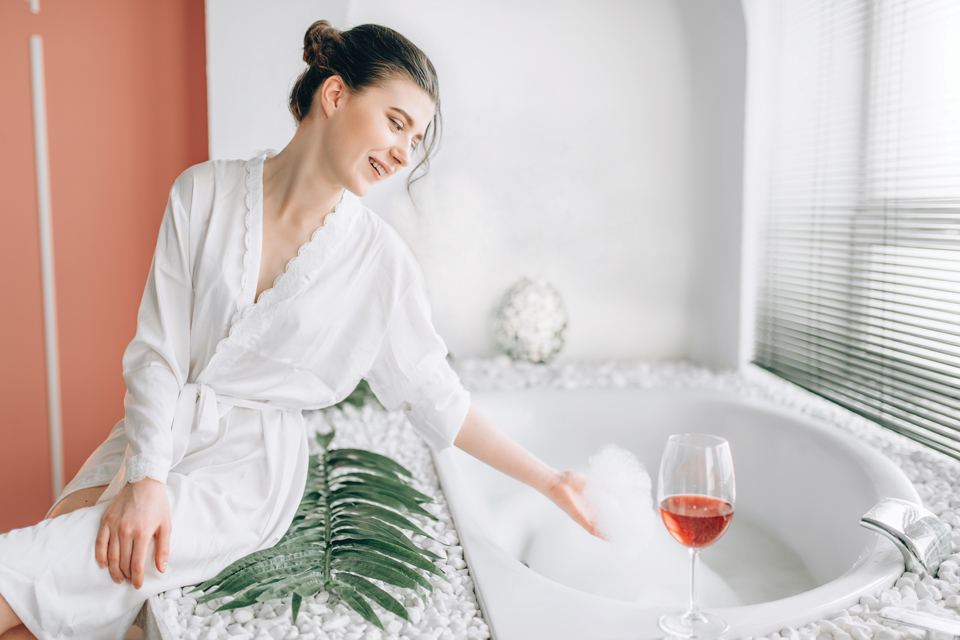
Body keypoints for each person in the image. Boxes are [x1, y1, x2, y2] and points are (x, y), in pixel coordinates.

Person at [0, 20, 599, 640]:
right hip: (161, 430)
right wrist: (147, 476)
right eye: (396, 123)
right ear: (335, 95)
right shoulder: (201, 193)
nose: (403, 154)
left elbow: (435, 397)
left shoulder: (379, 263)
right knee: (48, 576)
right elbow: (158, 354)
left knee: (31, 571)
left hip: (248, 473)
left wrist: (551, 480)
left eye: (415, 141)